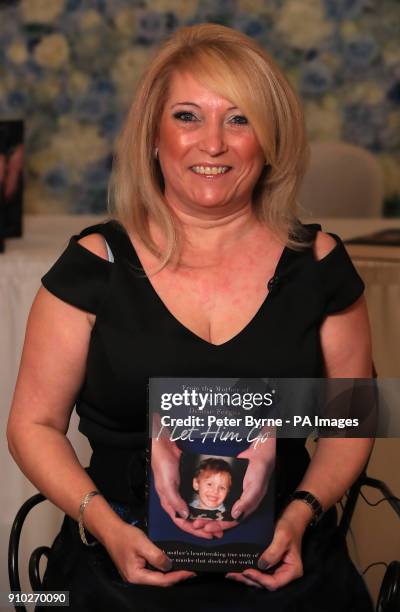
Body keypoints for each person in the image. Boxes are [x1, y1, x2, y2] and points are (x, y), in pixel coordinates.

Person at [7, 23, 374, 612]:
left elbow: (351, 421)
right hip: (116, 558)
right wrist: (104, 526)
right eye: (187, 117)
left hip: (287, 559)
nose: (213, 144)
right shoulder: (92, 265)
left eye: (239, 119)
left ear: (271, 138)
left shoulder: (321, 264)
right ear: (153, 136)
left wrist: (301, 517)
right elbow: (32, 425)